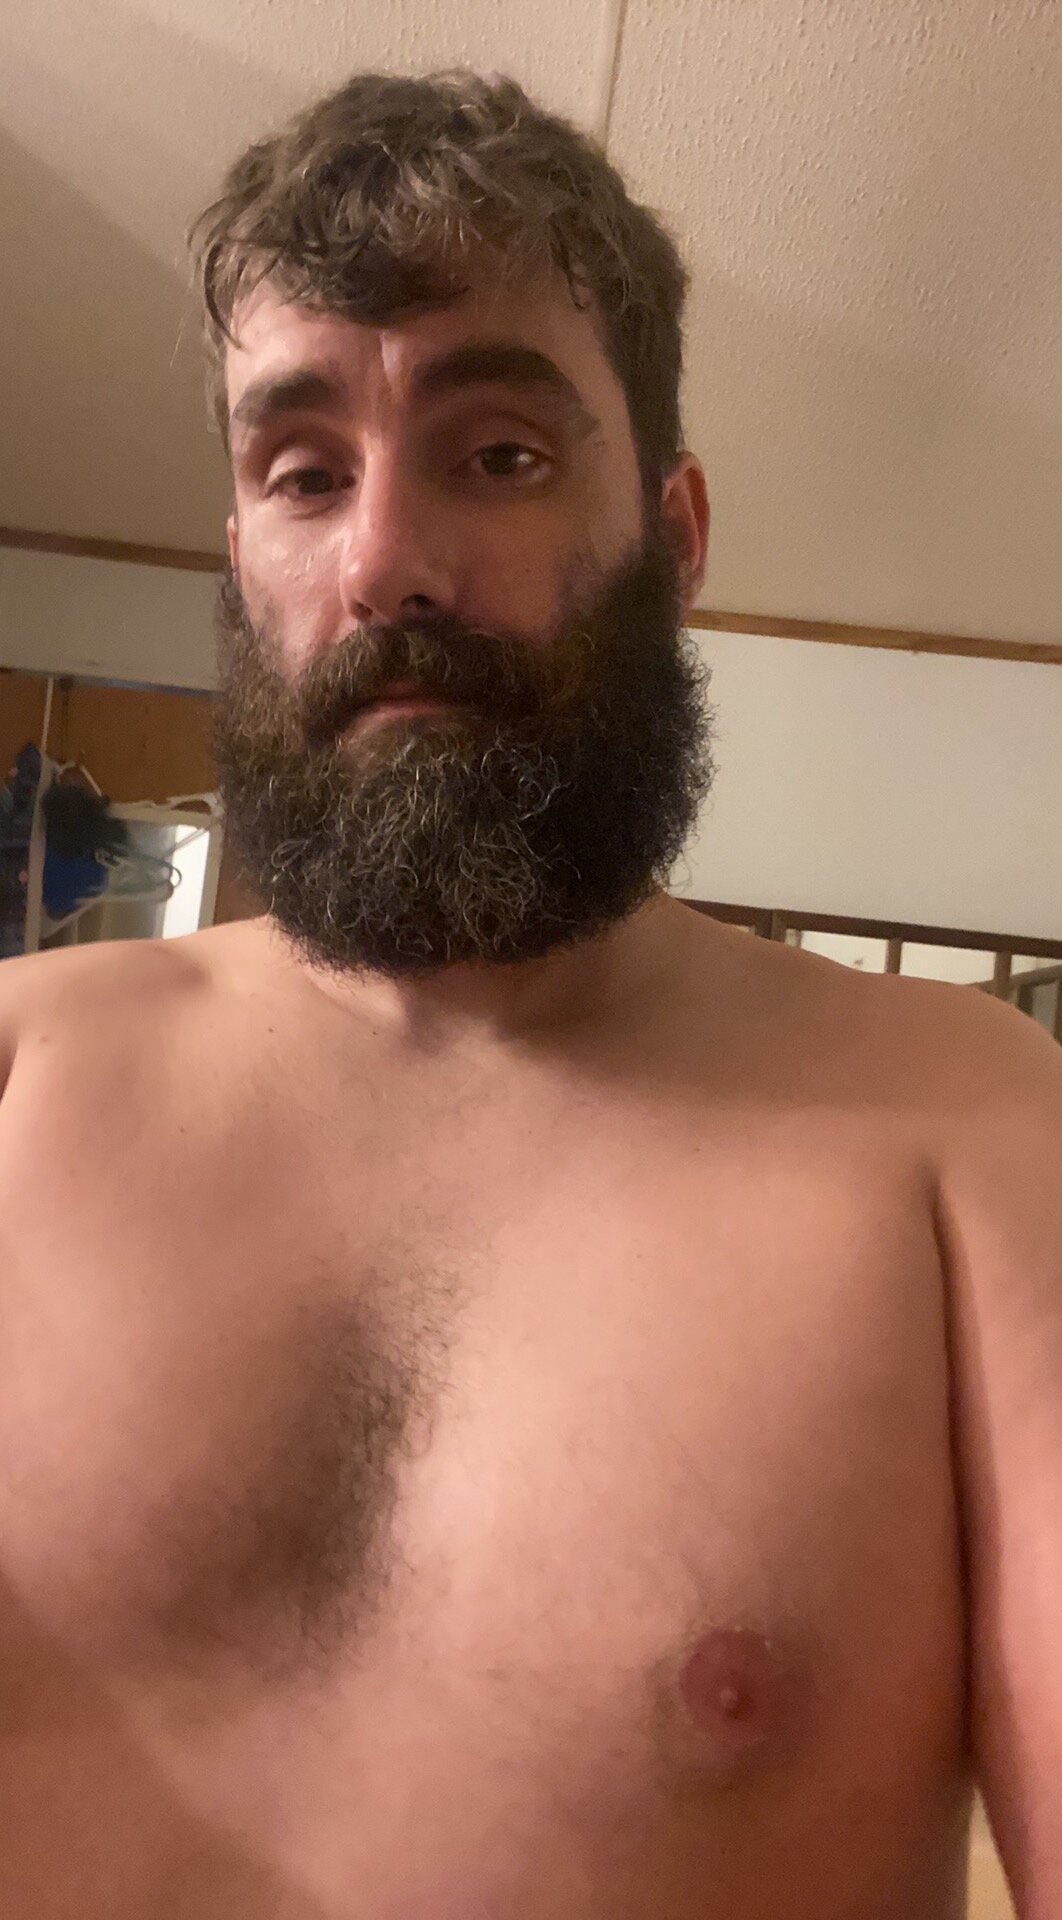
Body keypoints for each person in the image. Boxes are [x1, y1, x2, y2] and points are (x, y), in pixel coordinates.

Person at [0, 68, 1059, 1920]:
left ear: (678, 535)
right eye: (302, 473)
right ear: (240, 557)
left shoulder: (975, 1138)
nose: (385, 564)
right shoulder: (16, 1072)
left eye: (496, 454)